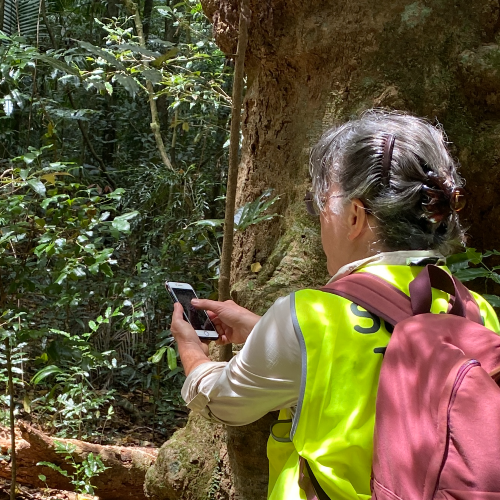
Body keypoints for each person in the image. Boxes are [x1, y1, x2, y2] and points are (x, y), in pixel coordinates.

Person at [170, 110, 500, 500]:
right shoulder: (474, 310)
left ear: (356, 215)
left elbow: (227, 403)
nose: (320, 219)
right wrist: (265, 330)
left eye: (322, 204)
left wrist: (193, 355)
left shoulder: (308, 315)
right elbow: (375, 360)